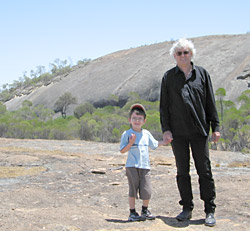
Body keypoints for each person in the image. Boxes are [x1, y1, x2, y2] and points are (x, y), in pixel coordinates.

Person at [159, 38, 220, 227]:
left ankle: (209, 210)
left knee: (205, 171)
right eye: (179, 53)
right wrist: (166, 130)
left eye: (186, 52)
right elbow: (164, 107)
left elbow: (210, 101)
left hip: (199, 131)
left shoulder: (202, 74)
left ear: (191, 54)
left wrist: (215, 127)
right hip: (178, 133)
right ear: (174, 56)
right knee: (182, 171)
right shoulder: (168, 77)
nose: (183, 56)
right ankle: (187, 208)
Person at [120, 103, 165, 222]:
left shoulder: (146, 133)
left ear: (144, 121)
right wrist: (130, 143)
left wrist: (165, 141)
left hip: (145, 166)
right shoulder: (127, 134)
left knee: (147, 189)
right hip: (132, 166)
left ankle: (145, 210)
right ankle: (132, 212)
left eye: (140, 119)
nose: (137, 121)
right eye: (134, 118)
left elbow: (154, 144)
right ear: (130, 120)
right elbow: (122, 150)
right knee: (133, 189)